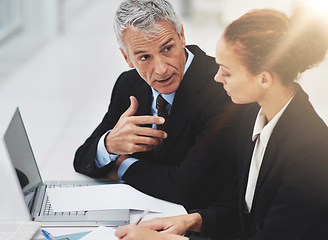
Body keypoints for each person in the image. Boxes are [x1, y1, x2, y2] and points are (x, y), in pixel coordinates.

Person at [114, 8, 328, 240]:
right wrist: (194, 220)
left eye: (226, 72)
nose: (217, 78)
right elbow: (247, 211)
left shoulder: (311, 151)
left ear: (264, 78)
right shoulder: (253, 117)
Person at [73, 0, 242, 211]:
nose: (161, 69)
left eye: (167, 48)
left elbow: (186, 187)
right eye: (144, 57)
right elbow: (82, 159)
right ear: (127, 57)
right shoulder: (128, 84)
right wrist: (109, 145)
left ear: (182, 35)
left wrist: (122, 166)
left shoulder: (222, 87)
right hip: (141, 210)